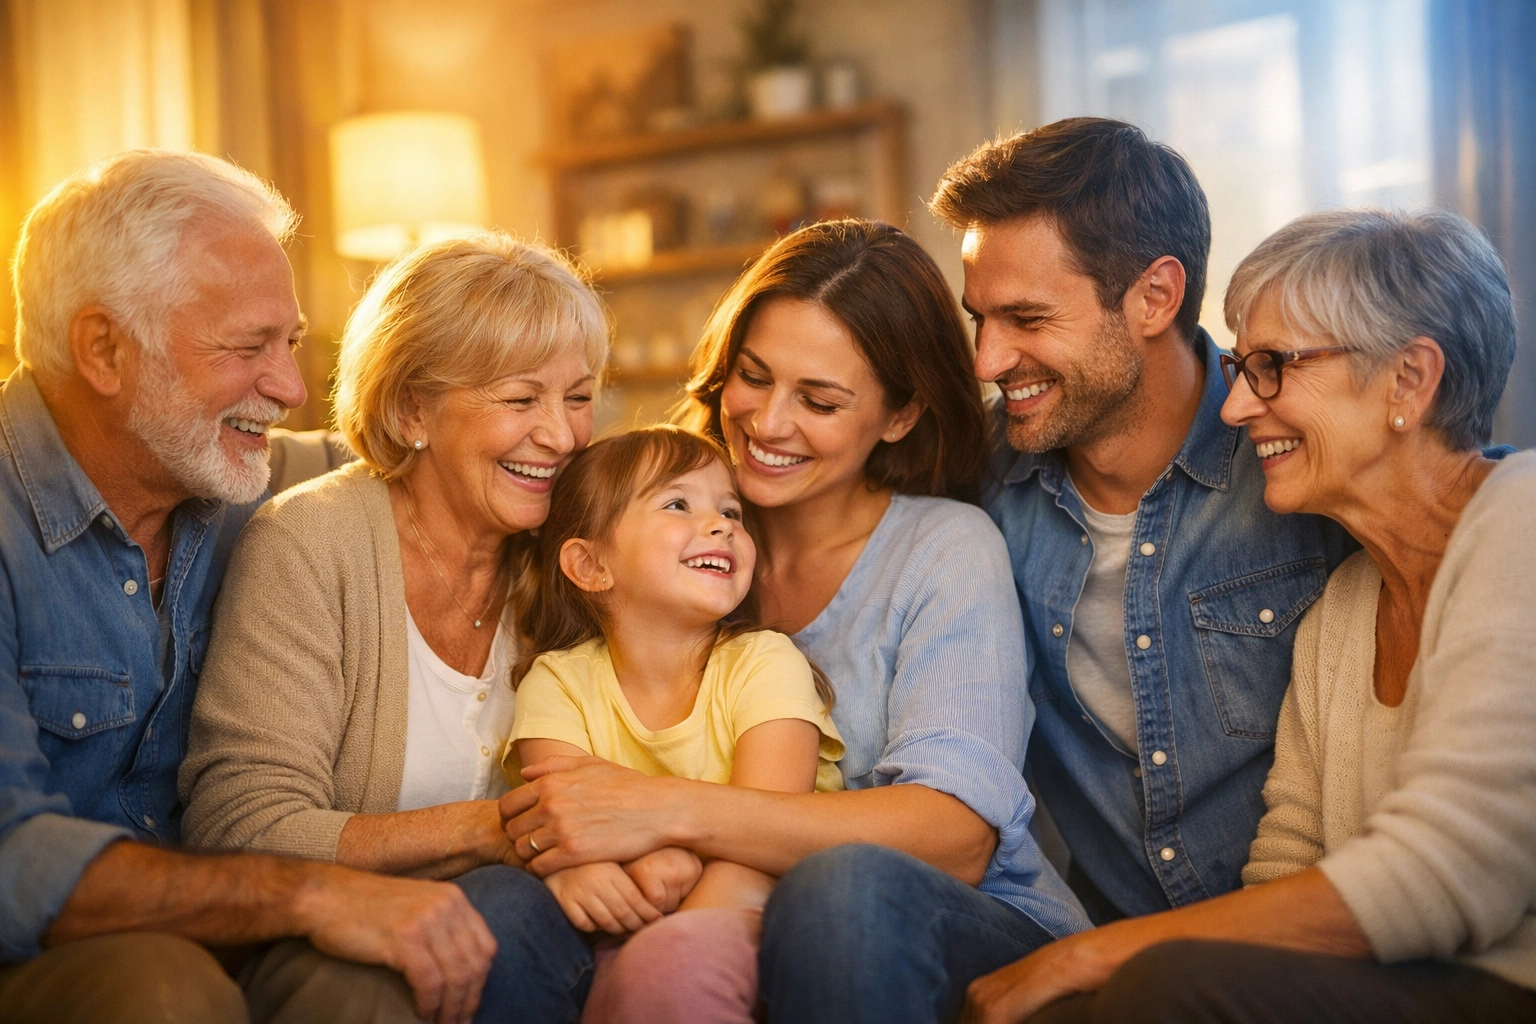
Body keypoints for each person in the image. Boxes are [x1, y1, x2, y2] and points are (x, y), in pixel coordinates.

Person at [500, 219, 1089, 1024]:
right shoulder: (659, 534)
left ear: (900, 415)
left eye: (818, 400)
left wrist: (663, 810)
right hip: (692, 924)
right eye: (753, 376)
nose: (768, 424)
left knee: (838, 887)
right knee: (501, 907)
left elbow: (957, 838)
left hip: (951, 920)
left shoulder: (944, 550)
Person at [963, 207, 1536, 1023]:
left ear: (1409, 379)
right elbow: (1282, 876)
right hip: (1388, 985)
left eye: (1273, 366)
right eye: (1238, 366)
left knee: (1155, 987)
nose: (1234, 409)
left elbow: (1449, 871)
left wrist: (1098, 951)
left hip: (1507, 987)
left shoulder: (1523, 520)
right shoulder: (1342, 608)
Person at [0, 150, 502, 1024]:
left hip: (239, 939)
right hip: (46, 964)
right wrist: (307, 894)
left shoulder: (267, 480)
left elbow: (463, 469)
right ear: (103, 349)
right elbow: (12, 857)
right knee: (160, 992)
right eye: (247, 349)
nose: (289, 388)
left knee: (374, 980)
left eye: (292, 342)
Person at [177, 233, 687, 1023]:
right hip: (346, 958)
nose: (560, 436)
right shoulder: (311, 542)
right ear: (413, 407)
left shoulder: (577, 556)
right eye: (521, 401)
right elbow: (242, 827)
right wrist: (502, 832)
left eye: (578, 398)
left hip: (548, 938)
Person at [928, 118, 1356, 925]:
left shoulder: (1297, 458)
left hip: (1313, 950)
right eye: (979, 318)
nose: (986, 361)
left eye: (1027, 318)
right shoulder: (975, 479)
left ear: (1154, 296)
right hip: (1102, 947)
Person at [506, 425, 844, 1023]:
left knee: (667, 968)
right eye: (678, 503)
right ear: (590, 564)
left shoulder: (763, 663)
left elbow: (763, 835)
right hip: (622, 924)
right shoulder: (556, 683)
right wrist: (578, 871)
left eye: (731, 511)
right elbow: (559, 816)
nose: (722, 525)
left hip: (757, 911)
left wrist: (666, 913)